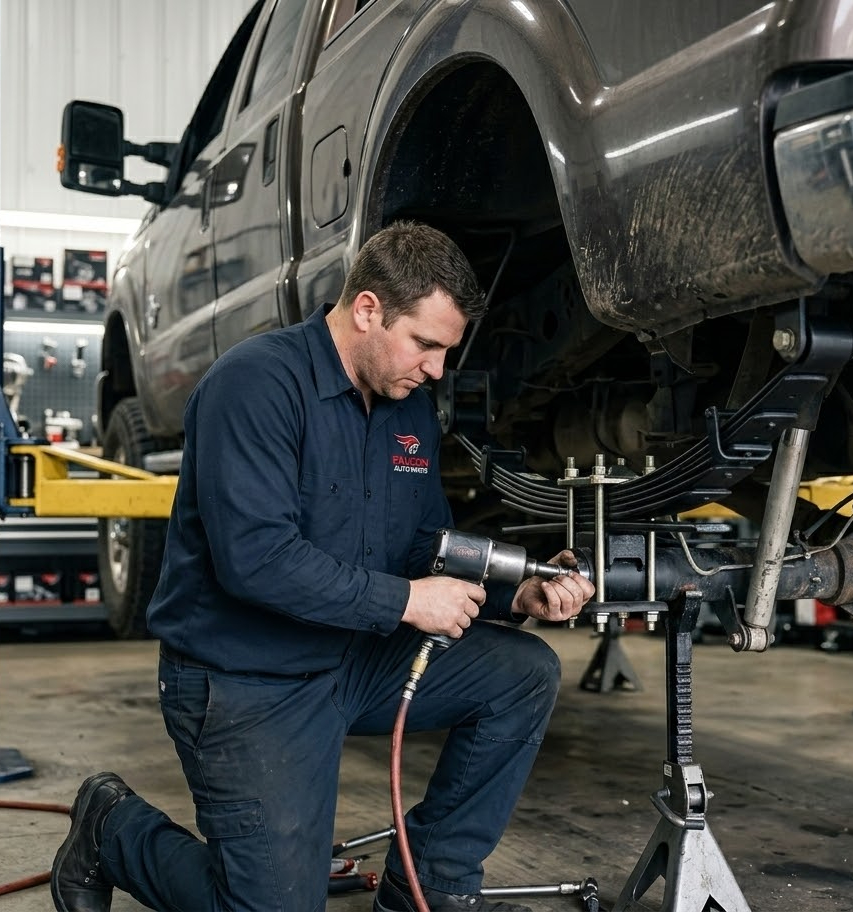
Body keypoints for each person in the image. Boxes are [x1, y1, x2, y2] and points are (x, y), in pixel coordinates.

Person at [51, 221, 595, 912]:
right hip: (245, 678)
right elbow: (255, 561)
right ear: (367, 310)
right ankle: (111, 828)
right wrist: (405, 603)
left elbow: (424, 547)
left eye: (444, 351)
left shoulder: (408, 409)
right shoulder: (255, 386)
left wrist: (516, 598)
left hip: (351, 658)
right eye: (425, 344)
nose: (435, 369)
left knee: (523, 673)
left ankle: (428, 886)